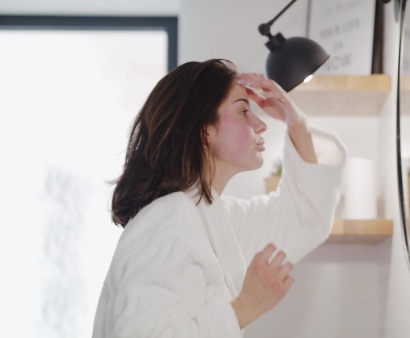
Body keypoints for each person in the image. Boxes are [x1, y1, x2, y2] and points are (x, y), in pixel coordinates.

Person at [92, 59, 347, 337]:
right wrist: (245, 307)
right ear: (205, 130)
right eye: (243, 111)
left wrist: (297, 124)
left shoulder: (213, 218)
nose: (261, 124)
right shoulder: (170, 221)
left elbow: (302, 218)